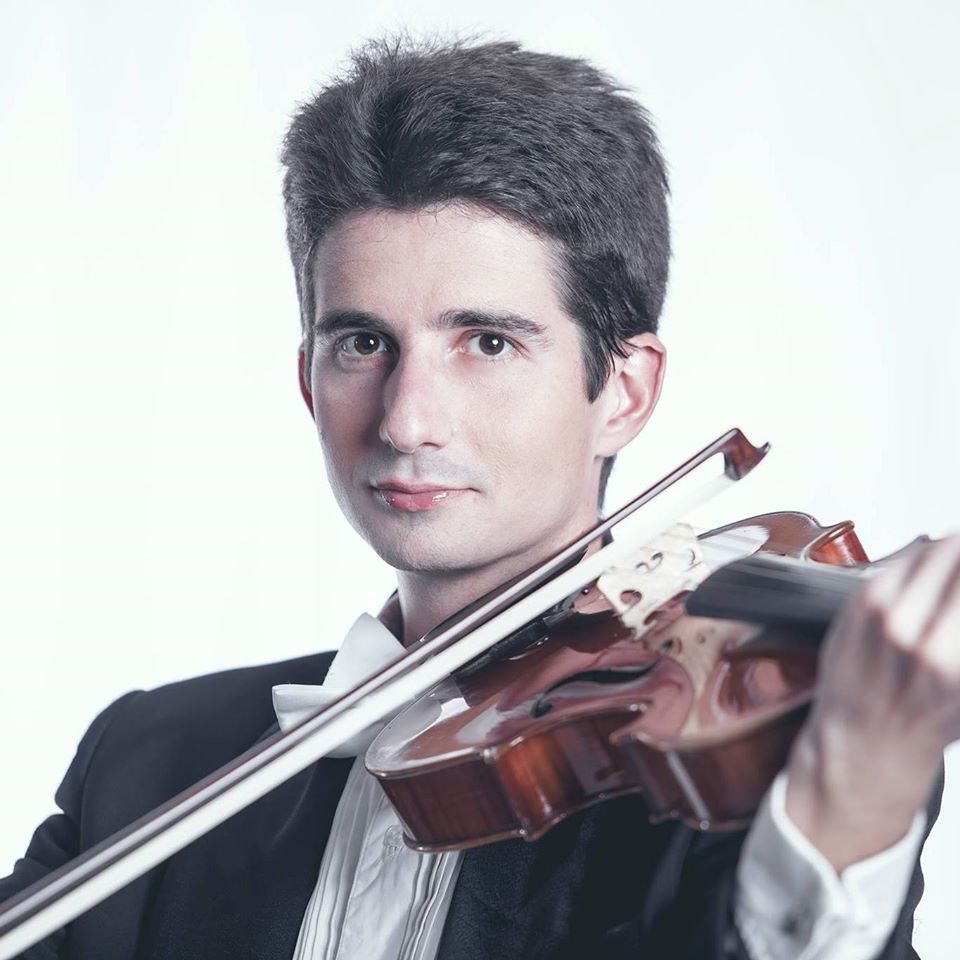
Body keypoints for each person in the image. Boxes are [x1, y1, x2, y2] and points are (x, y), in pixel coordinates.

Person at [1, 34, 955, 960]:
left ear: (624, 392)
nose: (407, 420)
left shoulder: (742, 785)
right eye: (363, 344)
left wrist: (851, 789)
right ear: (307, 381)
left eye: (488, 343)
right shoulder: (148, 764)